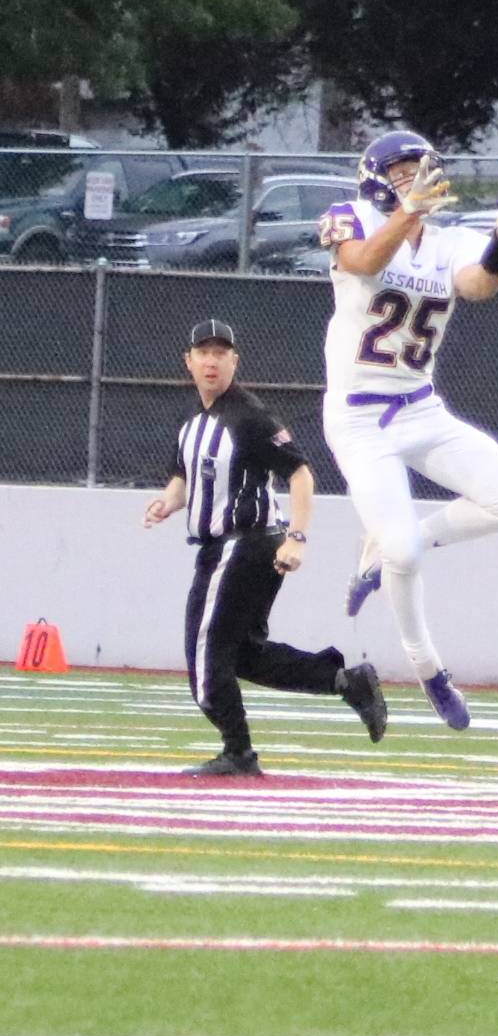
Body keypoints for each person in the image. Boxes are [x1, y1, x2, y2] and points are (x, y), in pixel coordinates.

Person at [319, 132, 498, 729]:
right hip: (359, 416)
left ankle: (386, 549)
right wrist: (407, 211)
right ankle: (429, 669)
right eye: (399, 171)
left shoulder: (449, 242)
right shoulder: (350, 216)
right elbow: (363, 262)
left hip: (419, 407)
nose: (412, 178)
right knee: (403, 551)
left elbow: (480, 286)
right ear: (374, 175)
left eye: (420, 170)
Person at [144, 319, 388, 776]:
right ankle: (344, 681)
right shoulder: (193, 423)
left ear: (235, 361)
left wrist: (297, 537)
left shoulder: (249, 417)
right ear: (189, 361)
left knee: (204, 656)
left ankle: (238, 752)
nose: (212, 360)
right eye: (204, 352)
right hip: (230, 549)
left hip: (244, 546)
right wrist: (167, 502)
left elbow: (300, 473)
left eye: (221, 352)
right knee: (242, 655)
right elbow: (185, 477)